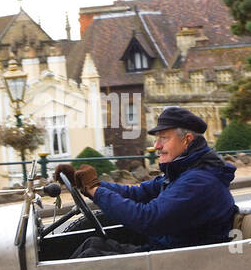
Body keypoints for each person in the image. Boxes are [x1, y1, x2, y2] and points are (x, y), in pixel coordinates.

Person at [54, 107, 236, 258]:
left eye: (163, 138)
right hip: (169, 251)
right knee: (91, 244)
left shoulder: (199, 180)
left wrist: (96, 190)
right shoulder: (183, 172)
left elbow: (149, 218)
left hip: (180, 262)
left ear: (187, 140)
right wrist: (86, 185)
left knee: (90, 257)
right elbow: (137, 193)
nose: (156, 146)